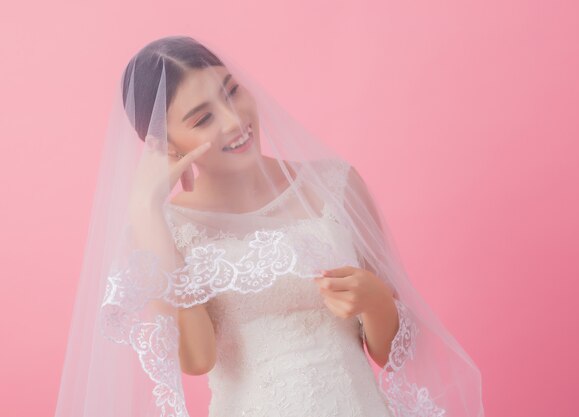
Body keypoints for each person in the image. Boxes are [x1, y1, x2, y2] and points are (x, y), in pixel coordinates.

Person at [54, 35, 485, 417]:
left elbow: (393, 352)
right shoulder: (168, 228)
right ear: (165, 145)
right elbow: (196, 357)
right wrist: (147, 210)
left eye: (233, 93)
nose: (233, 121)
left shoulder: (336, 185)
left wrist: (375, 301)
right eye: (202, 119)